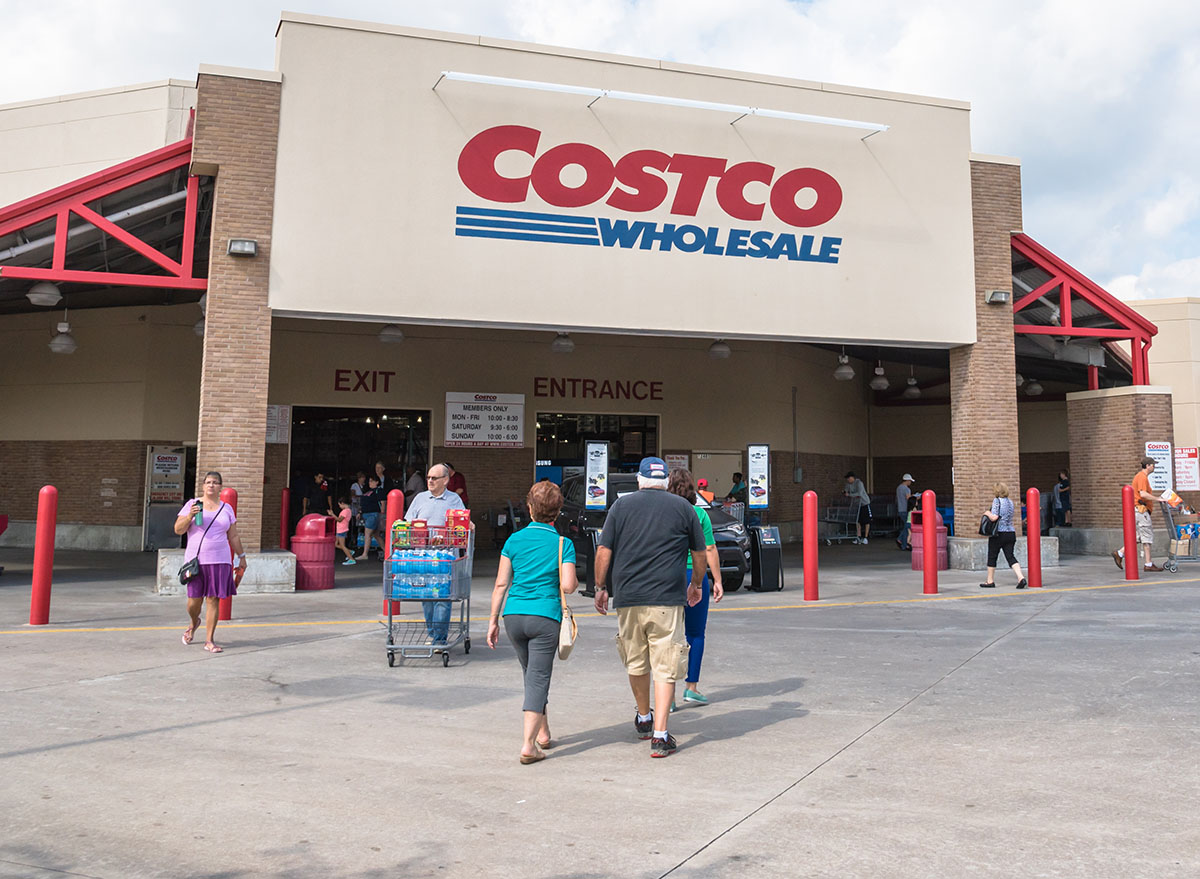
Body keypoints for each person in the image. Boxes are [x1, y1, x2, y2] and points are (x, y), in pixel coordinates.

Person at [594, 456, 706, 758]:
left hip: (628, 597)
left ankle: (644, 718)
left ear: (640, 480)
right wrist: (695, 584)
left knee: (636, 661)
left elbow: (604, 549)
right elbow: (700, 552)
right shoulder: (684, 508)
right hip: (667, 598)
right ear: (665, 481)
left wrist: (600, 587)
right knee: (665, 664)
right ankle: (660, 735)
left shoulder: (621, 507)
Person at [486, 481, 578, 764]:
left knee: (531, 675)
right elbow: (568, 585)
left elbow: (501, 584)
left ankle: (543, 733)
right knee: (538, 678)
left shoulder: (513, 540)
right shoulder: (564, 543)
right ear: (558, 511)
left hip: (513, 616)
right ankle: (528, 745)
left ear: (529, 509)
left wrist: (492, 622)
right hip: (544, 617)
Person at [667, 469, 724, 710]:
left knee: (667, 636)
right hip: (694, 574)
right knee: (695, 633)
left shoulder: (664, 513)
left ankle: (666, 696)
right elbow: (709, 549)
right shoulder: (700, 514)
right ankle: (691, 687)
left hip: (668, 576)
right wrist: (717, 580)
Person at [175, 471, 246, 654]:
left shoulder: (227, 508)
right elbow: (178, 530)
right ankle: (194, 621)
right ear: (203, 486)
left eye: (215, 482)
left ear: (220, 486)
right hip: (196, 561)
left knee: (213, 599)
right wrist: (190, 515)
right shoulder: (192, 505)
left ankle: (209, 640)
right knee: (193, 602)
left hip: (220, 560)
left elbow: (234, 535)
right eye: (208, 482)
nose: (211, 485)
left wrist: (242, 556)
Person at [406, 463, 468, 644]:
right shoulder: (420, 498)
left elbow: (462, 524)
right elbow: (408, 522)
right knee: (427, 597)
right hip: (423, 557)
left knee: (442, 597)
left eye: (434, 478)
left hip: (446, 559)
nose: (430, 481)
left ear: (446, 480)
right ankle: (433, 633)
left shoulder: (454, 499)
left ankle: (440, 639)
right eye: (428, 478)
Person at [1112, 457, 1163, 572]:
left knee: (1139, 536)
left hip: (1140, 510)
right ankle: (1148, 564)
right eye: (1153, 465)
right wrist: (1157, 498)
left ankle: (1120, 553)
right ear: (1148, 465)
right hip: (1141, 510)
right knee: (1147, 537)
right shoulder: (1141, 477)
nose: (1154, 467)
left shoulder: (1142, 477)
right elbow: (1143, 494)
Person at [980, 482, 1027, 589]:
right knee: (1010, 556)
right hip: (1010, 532)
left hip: (998, 533)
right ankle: (1021, 577)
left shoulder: (997, 501)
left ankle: (990, 581)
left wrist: (987, 513)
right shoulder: (1010, 502)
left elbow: (994, 517)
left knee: (992, 556)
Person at [355, 475, 382, 561]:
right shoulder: (368, 491)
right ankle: (387, 551)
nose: (370, 482)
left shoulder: (378, 491)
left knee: (367, 534)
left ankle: (365, 554)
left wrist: (383, 514)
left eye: (372, 481)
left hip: (372, 514)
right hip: (367, 514)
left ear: (377, 482)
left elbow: (383, 502)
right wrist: (360, 512)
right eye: (369, 481)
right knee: (376, 535)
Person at [844, 471, 872, 544]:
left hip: (864, 503)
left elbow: (859, 493)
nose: (848, 480)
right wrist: (845, 492)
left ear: (853, 477)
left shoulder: (859, 483)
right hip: (856, 504)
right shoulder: (848, 484)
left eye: (849, 478)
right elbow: (846, 490)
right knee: (857, 521)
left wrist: (849, 494)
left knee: (866, 521)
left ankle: (866, 537)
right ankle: (858, 537)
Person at [333, 497, 356, 565]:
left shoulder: (345, 511)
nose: (339, 507)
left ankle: (351, 559)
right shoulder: (348, 510)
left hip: (342, 529)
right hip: (340, 529)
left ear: (342, 503)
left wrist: (332, 515)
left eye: (339, 505)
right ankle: (349, 552)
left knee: (342, 545)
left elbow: (339, 520)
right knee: (335, 544)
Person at [895, 473, 914, 550]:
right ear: (907, 480)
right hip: (905, 509)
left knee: (906, 526)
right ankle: (902, 541)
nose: (910, 483)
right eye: (910, 481)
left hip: (900, 509)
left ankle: (902, 542)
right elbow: (909, 499)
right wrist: (915, 498)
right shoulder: (906, 489)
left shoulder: (898, 488)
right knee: (908, 527)